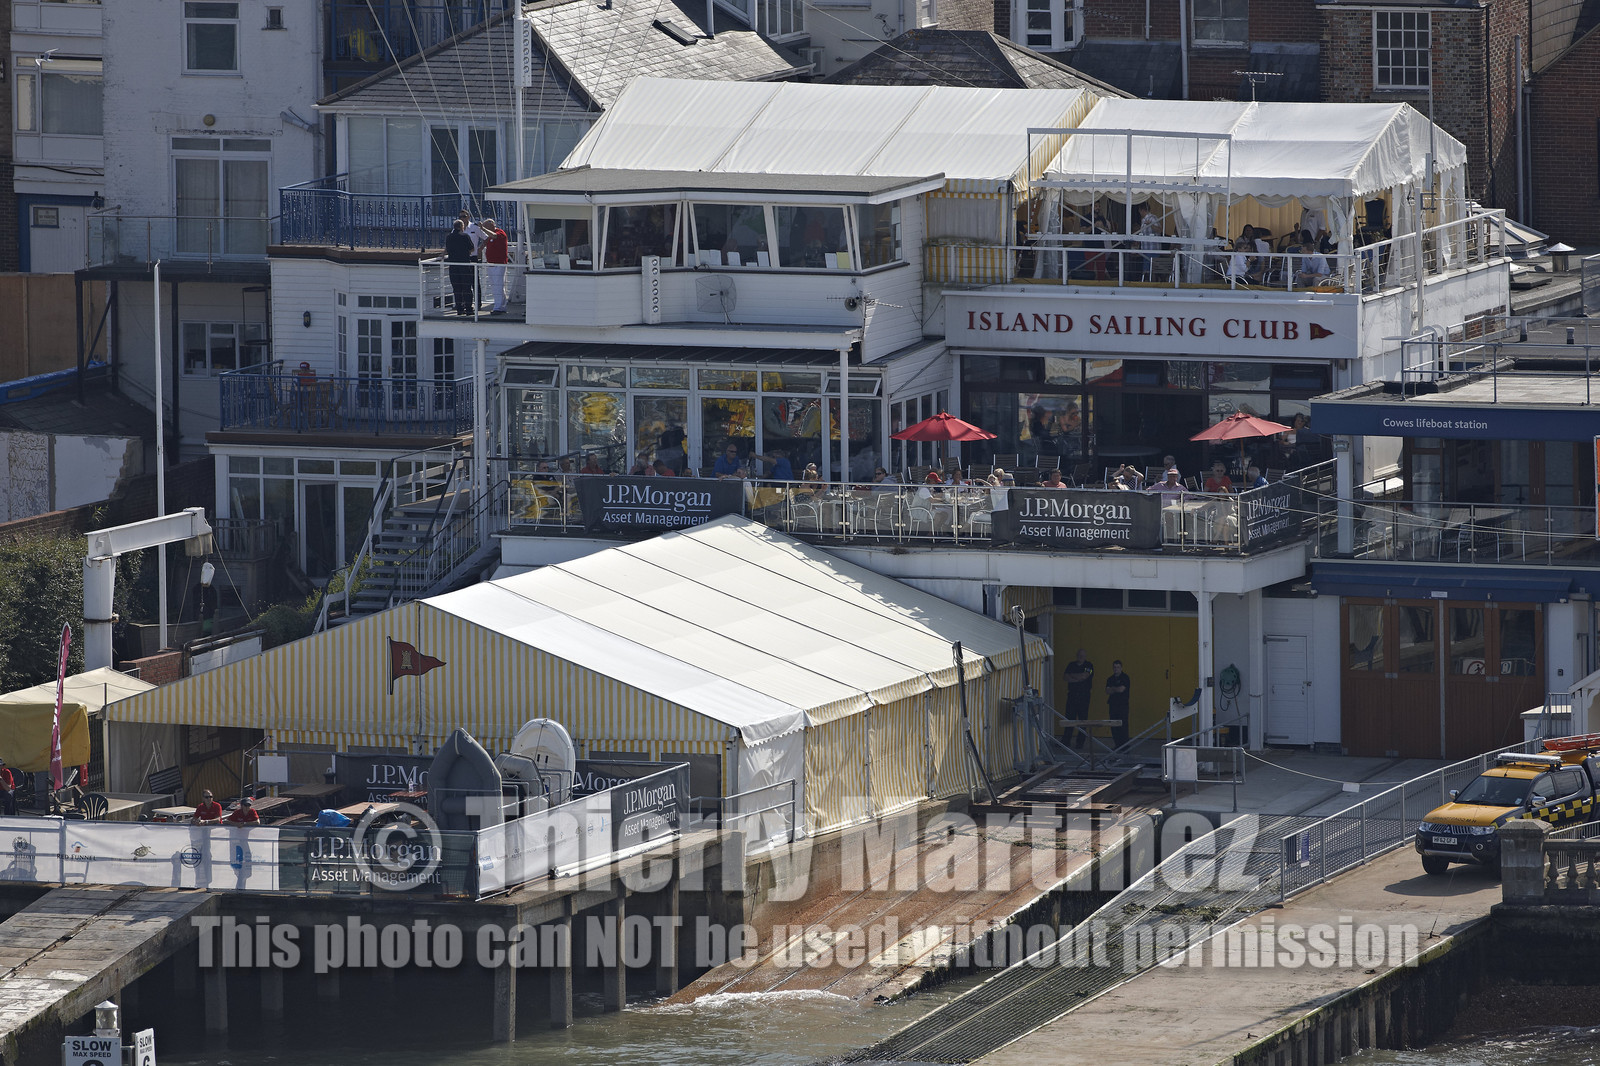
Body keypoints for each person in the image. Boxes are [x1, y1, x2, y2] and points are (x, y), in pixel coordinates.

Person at [1062, 649, 1095, 749]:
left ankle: (1080, 742)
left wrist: (1072, 676)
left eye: (1083, 656)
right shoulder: (1071, 664)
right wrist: (1077, 677)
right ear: (1077, 656)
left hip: (1084, 696)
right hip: (1072, 695)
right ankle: (1066, 741)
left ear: (1085, 656)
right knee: (1069, 718)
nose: (1081, 657)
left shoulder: (1089, 666)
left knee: (1082, 720)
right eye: (1079, 655)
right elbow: (1065, 677)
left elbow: (1084, 676)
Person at [444, 219, 477, 315]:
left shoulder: (449, 237)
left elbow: (448, 249)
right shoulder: (465, 236)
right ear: (462, 227)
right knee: (467, 288)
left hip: (453, 266)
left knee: (456, 288)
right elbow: (471, 248)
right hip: (464, 264)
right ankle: (469, 309)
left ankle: (459, 309)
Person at [481, 219, 510, 313]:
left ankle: (498, 307)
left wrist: (482, 228)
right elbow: (487, 239)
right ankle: (501, 306)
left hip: (499, 264)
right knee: (495, 286)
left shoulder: (500, 233)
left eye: (486, 227)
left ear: (492, 226)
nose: (485, 229)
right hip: (491, 264)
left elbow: (494, 236)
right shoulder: (490, 236)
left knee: (498, 286)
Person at [1104, 660, 1131, 749]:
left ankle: (1125, 746)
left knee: (1123, 726)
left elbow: (1121, 689)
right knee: (1114, 726)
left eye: (1118, 667)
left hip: (1122, 705)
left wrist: (1113, 689)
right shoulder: (1110, 679)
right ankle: (1117, 745)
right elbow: (1107, 691)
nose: (1116, 669)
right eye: (1114, 667)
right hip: (1113, 705)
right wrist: (1115, 689)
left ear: (1121, 668)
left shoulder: (1125, 677)